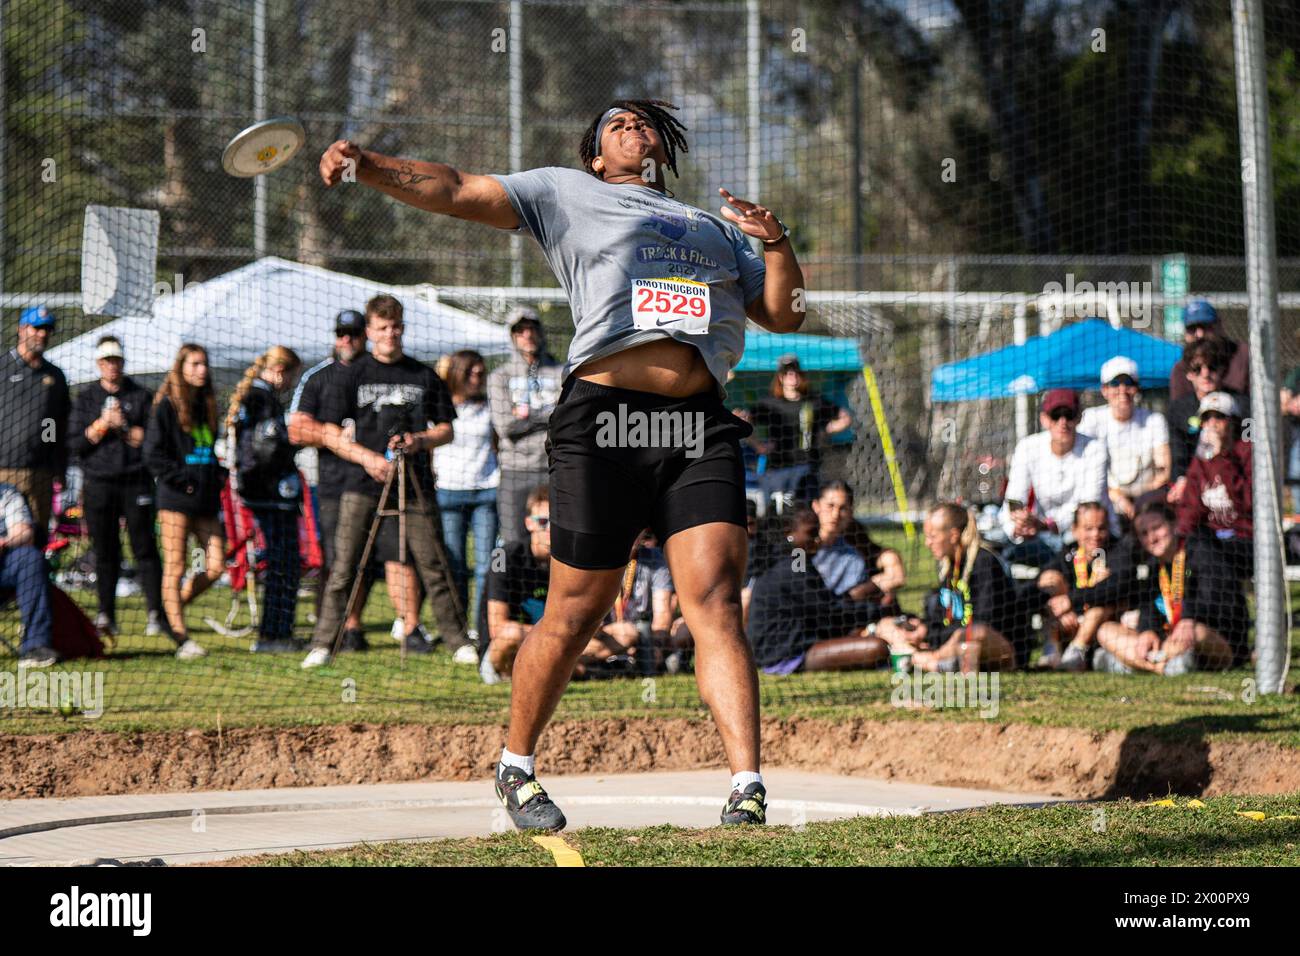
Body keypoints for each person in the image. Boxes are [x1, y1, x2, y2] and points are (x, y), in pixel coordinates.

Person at [318, 97, 804, 829]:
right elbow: (453, 187)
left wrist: (776, 240)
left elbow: (786, 312)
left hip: (699, 425)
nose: (633, 128)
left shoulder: (712, 228)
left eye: (643, 122)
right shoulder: (565, 193)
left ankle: (747, 786)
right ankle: (516, 767)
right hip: (603, 419)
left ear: (663, 151)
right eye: (615, 124)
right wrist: (369, 166)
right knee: (578, 608)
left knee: (715, 602)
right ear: (595, 158)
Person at [301, 294, 471, 669]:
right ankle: (324, 643)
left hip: (415, 483)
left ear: (403, 328)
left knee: (432, 563)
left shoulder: (423, 374)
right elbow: (328, 430)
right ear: (370, 331)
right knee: (345, 565)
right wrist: (368, 458)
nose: (390, 334)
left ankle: (459, 641)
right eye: (382, 327)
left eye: (395, 327)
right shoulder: (351, 374)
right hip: (361, 483)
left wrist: (419, 441)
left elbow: (446, 429)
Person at [288, 310, 382, 651]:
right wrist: (330, 436)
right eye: (342, 333)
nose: (347, 340)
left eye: (354, 333)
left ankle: (352, 624)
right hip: (330, 483)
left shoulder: (377, 374)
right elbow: (296, 429)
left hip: (373, 480)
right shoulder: (318, 377)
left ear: (364, 335)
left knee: (363, 559)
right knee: (332, 559)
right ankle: (326, 626)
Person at [66, 336, 166, 639]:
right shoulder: (85, 399)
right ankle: (106, 614)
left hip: (136, 481)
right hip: (99, 483)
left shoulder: (141, 396)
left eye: (117, 360)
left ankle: (156, 614)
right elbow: (75, 444)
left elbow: (153, 441)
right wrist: (101, 424)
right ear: (99, 364)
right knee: (105, 551)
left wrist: (122, 428)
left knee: (145, 547)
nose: (113, 366)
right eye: (107, 361)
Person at [1092, 501, 1244, 674]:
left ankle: (1131, 664)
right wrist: (1147, 630)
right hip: (1168, 641)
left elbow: (1215, 599)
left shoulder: (1201, 550)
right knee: (1105, 630)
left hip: (1212, 638)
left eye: (1157, 528)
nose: (1152, 538)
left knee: (1196, 632)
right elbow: (1148, 606)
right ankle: (1163, 667)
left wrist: (1189, 618)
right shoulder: (1151, 566)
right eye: (1144, 533)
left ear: (1174, 524)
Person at [143, 343, 225, 660]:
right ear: (181, 367)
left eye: (204, 363)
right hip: (176, 498)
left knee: (216, 566)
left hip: (206, 499)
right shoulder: (165, 406)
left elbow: (208, 451)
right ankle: (180, 636)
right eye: (194, 364)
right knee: (175, 565)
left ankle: (169, 610)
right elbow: (152, 455)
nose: (201, 370)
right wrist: (184, 480)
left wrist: (216, 474)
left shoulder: (206, 403)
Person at [881, 503, 1027, 672]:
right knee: (888, 624)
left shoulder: (984, 562)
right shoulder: (948, 568)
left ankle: (930, 661)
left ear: (953, 535)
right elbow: (940, 619)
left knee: (968, 635)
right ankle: (938, 663)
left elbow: (985, 624)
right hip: (955, 643)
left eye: (932, 536)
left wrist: (935, 637)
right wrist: (922, 629)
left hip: (999, 648)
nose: (927, 543)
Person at [745, 508, 889, 674]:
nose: (817, 539)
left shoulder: (796, 557)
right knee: (877, 648)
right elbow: (829, 612)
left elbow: (824, 605)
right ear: (788, 532)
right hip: (784, 655)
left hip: (802, 641)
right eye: (811, 533)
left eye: (817, 532)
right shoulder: (793, 562)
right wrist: (879, 612)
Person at [227, 346, 304, 653]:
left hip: (262, 492)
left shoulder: (255, 397)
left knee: (280, 561)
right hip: (271, 494)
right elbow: (263, 446)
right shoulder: (261, 398)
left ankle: (275, 632)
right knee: (284, 563)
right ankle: (275, 635)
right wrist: (291, 445)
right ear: (281, 371)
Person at [999, 388, 1112, 566]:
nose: (1062, 422)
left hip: (1085, 536)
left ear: (1079, 417)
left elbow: (1088, 506)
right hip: (1039, 537)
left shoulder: (1095, 449)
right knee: (1001, 549)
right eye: (1055, 415)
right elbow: (1013, 500)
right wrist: (1018, 526)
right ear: (1044, 419)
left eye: (1069, 415)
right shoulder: (1028, 447)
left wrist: (1047, 525)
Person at [435, 350, 500, 645]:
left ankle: (482, 626)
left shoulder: (489, 407)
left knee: (487, 565)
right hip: (448, 491)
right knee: (455, 564)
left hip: (486, 490)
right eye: (471, 372)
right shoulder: (440, 406)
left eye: (480, 373)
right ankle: (458, 629)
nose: (477, 378)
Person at [487, 308, 562, 545]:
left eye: (532, 328)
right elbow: (506, 426)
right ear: (512, 336)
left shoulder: (562, 372)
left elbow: (569, 420)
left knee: (559, 540)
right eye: (520, 330)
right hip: (515, 470)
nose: (527, 335)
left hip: (555, 468)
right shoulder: (500, 376)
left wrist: (528, 418)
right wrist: (549, 414)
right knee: (514, 542)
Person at [741, 354, 851, 512]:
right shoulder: (769, 404)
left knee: (805, 511)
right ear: (780, 377)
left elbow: (845, 418)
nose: (792, 376)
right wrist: (759, 446)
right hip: (777, 469)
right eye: (787, 373)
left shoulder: (814, 400)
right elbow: (745, 420)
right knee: (778, 511)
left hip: (808, 466)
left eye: (795, 372)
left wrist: (826, 429)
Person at [0, 305, 70, 550]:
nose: (42, 334)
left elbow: (55, 424)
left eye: (47, 329)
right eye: (37, 328)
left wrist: (56, 464)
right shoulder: (2, 367)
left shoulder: (54, 376)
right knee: (6, 538)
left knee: (37, 539)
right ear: (21, 330)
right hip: (3, 471)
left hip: (40, 473)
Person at [1077, 356, 1170, 525]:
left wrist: (1142, 501)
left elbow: (1164, 470)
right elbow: (1083, 470)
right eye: (1115, 384)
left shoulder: (1154, 420)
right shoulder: (1091, 419)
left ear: (1137, 388)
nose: (1122, 390)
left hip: (1147, 501)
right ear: (1104, 390)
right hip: (1105, 502)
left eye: (1129, 383)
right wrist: (1117, 497)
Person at [1035, 501, 1126, 671]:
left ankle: (1077, 652)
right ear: (1075, 530)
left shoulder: (1118, 550)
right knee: (1050, 578)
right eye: (1088, 528)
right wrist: (1061, 610)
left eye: (1101, 528)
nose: (1095, 535)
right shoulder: (1068, 552)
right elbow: (1040, 582)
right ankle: (1051, 651)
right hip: (1070, 622)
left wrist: (1071, 601)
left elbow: (1116, 588)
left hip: (1105, 622)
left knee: (1103, 594)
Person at [1175, 391, 1253, 581]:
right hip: (1211, 540)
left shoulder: (1246, 451)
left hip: (1243, 538)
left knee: (1211, 557)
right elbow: (1191, 510)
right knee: (1197, 549)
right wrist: (1179, 540)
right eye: (1206, 418)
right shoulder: (1200, 459)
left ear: (1233, 421)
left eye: (1219, 417)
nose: (1212, 423)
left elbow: (1247, 504)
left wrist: (1221, 458)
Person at [480, 485, 552, 683]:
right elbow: (498, 628)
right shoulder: (501, 555)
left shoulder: (566, 561)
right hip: (506, 650)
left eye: (557, 522)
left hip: (550, 645)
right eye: (543, 521)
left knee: (625, 633)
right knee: (511, 634)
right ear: (529, 523)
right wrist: (558, 634)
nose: (550, 529)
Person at [810, 480, 905, 606]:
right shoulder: (799, 544)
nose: (835, 515)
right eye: (830, 506)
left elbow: (874, 552)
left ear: (850, 512)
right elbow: (794, 579)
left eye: (843, 508)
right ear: (816, 506)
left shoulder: (853, 540)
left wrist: (888, 559)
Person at [1167, 338, 1236, 502]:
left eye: (1211, 367)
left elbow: (1249, 447)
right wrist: (1182, 480)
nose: (1205, 374)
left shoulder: (1240, 404)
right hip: (1193, 483)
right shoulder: (1178, 409)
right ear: (1189, 374)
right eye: (1197, 368)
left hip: (1232, 480)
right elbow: (1178, 455)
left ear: (1222, 369)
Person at [0, 481, 57, 667]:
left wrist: (4, 542)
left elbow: (24, 533)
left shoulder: (7, 494)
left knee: (30, 557)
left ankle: (35, 646)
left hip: (4, 566)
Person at [1167, 300, 1249, 402]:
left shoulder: (1243, 355)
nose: (1200, 334)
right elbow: (1179, 412)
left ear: (1219, 325)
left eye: (1205, 326)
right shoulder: (1181, 369)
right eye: (1192, 329)